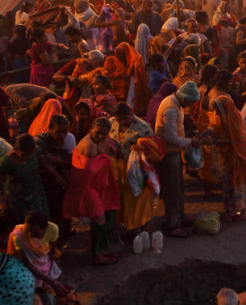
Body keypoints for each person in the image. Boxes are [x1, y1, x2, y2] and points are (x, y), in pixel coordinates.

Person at [6, 211, 69, 305]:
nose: (30, 234)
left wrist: (49, 272)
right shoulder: (18, 237)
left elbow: (53, 250)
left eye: (36, 232)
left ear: (45, 228)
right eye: (29, 230)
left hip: (44, 275)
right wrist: (52, 282)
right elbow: (26, 264)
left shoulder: (53, 229)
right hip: (23, 280)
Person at [63, 117, 122, 264]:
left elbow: (111, 150)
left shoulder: (105, 140)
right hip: (87, 185)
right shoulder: (89, 146)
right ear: (91, 129)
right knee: (99, 218)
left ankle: (103, 249)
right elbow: (87, 172)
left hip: (99, 182)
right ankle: (97, 255)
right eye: (98, 133)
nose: (101, 136)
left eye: (104, 134)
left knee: (109, 212)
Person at [155, 81, 203, 238]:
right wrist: (190, 141)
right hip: (168, 154)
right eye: (189, 102)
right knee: (172, 191)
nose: (189, 105)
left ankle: (180, 216)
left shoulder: (174, 102)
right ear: (184, 98)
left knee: (179, 188)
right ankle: (172, 224)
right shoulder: (171, 109)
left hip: (175, 153)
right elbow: (170, 137)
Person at [110, 103, 157, 232]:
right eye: (119, 119)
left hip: (136, 168)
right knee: (121, 197)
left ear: (131, 114)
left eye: (125, 118)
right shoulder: (111, 123)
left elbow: (153, 148)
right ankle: (122, 223)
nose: (122, 122)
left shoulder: (143, 128)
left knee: (136, 198)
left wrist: (141, 148)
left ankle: (138, 225)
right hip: (117, 167)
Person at [208, 95, 246, 222]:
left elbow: (237, 139)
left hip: (238, 155)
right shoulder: (217, 117)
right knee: (227, 184)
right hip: (225, 156)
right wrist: (208, 133)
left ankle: (242, 210)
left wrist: (218, 140)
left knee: (239, 185)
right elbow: (213, 127)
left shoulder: (234, 118)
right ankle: (229, 210)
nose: (215, 112)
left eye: (217, 110)